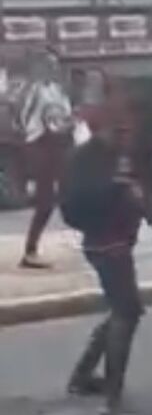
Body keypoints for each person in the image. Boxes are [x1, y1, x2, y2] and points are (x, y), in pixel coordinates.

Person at [63, 84, 152, 415]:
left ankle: (82, 376)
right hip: (103, 243)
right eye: (121, 128)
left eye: (132, 128)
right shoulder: (85, 157)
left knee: (123, 310)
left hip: (121, 240)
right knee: (127, 311)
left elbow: (142, 193)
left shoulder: (131, 155)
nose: (127, 134)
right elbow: (72, 208)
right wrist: (114, 188)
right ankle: (112, 402)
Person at [19, 50, 75, 269]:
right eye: (49, 64)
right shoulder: (35, 90)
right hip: (42, 144)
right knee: (46, 201)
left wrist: (68, 124)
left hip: (58, 145)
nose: (53, 68)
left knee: (68, 194)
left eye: (55, 64)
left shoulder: (58, 91)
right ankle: (30, 252)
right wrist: (36, 134)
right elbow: (24, 117)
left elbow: (63, 117)